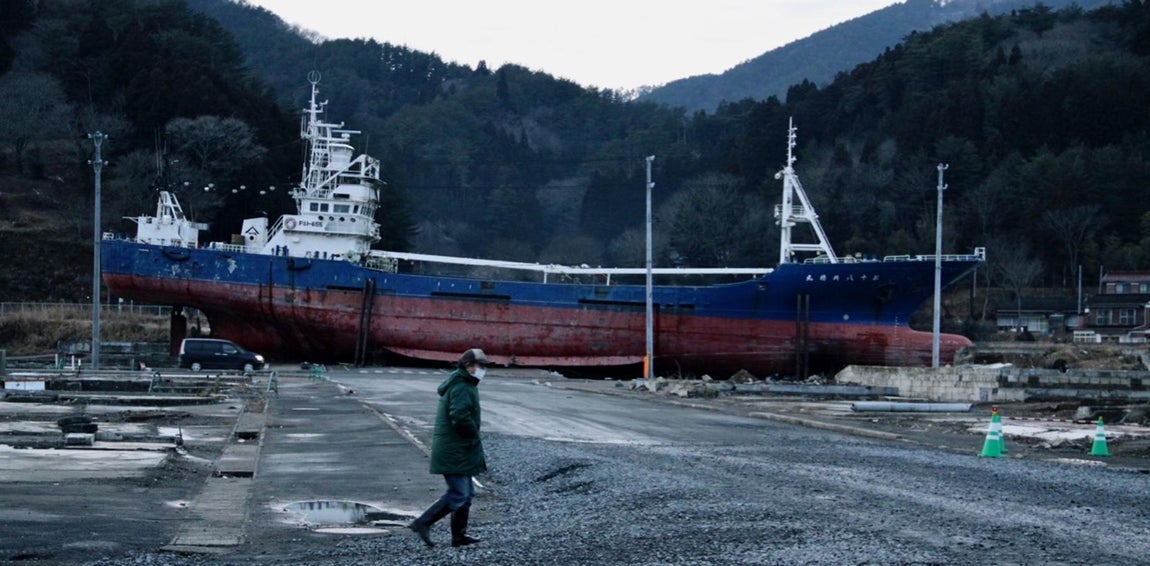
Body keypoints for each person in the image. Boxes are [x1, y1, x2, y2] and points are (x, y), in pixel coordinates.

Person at [409, 348, 490, 548]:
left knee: (467, 494)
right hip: (455, 448)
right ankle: (423, 522)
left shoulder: (465, 384)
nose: (483, 370)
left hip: (458, 447)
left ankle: (458, 536)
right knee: (459, 493)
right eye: (480, 366)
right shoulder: (462, 386)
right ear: (468, 366)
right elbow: (460, 417)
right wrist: (473, 435)